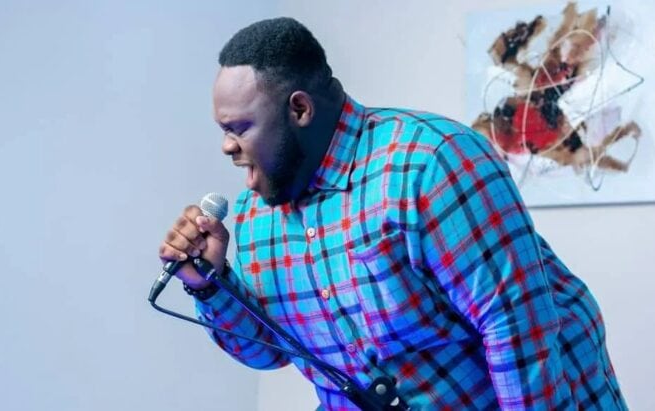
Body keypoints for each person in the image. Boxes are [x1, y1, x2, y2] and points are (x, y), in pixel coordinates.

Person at [158, 17, 627, 410]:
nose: (227, 146)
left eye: (239, 128)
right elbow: (269, 353)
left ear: (299, 109)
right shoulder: (255, 217)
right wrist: (209, 283)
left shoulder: (432, 162)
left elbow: (517, 327)